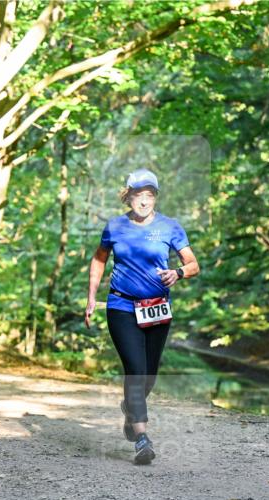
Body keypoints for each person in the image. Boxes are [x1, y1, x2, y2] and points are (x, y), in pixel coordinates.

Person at [84, 169, 200, 465]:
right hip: (121, 306)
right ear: (128, 196)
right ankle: (142, 438)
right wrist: (92, 297)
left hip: (157, 308)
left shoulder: (170, 227)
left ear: (155, 197)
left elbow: (193, 264)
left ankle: (130, 408)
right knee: (135, 370)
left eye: (149, 195)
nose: (144, 201)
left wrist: (178, 273)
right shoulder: (115, 227)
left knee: (149, 375)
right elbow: (99, 259)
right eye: (138, 195)